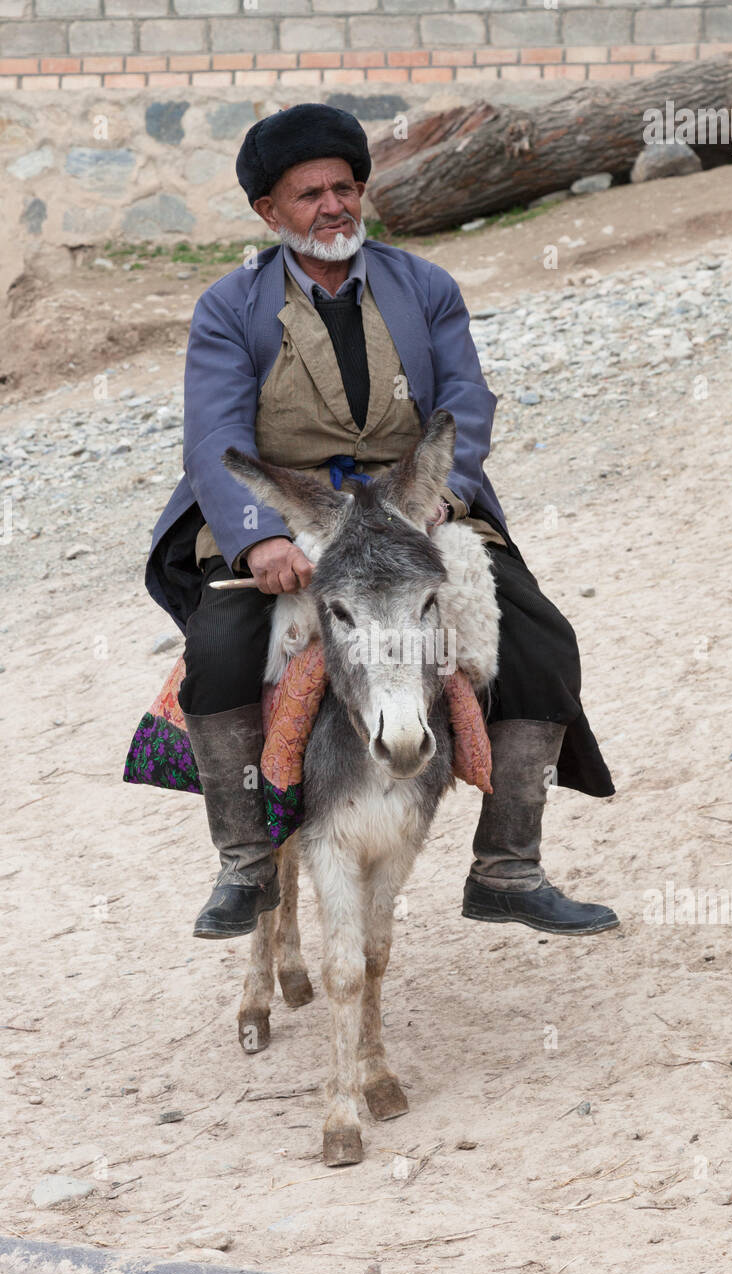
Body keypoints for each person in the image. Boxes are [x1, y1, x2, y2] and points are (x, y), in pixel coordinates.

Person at [145, 103, 618, 942]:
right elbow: (214, 434)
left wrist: (444, 488)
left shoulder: (424, 286)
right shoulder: (231, 307)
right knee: (217, 655)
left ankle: (508, 864)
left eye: (347, 187)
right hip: (290, 511)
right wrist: (260, 537)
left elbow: (464, 401)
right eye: (309, 194)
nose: (334, 207)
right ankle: (247, 864)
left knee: (543, 640)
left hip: (411, 510)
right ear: (268, 212)